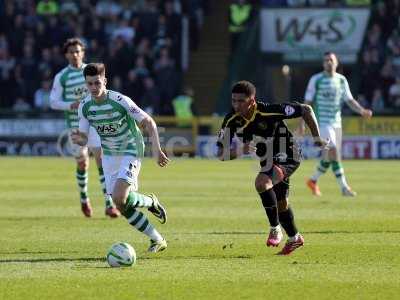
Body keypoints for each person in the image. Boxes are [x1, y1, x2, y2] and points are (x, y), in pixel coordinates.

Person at [216, 80, 327, 255]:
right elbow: (221, 154)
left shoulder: (268, 110)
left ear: (252, 101)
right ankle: (295, 238)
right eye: (233, 101)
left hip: (289, 154)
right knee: (281, 203)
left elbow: (306, 109)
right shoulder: (231, 120)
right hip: (267, 161)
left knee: (262, 182)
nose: (236, 105)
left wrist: (316, 138)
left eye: (240, 101)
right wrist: (239, 151)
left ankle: (275, 228)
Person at [71, 63, 170, 253]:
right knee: (120, 203)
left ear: (105, 81)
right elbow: (84, 137)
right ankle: (157, 239)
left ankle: (150, 202)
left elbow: (148, 121)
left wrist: (156, 150)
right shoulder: (84, 106)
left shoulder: (120, 100)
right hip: (109, 154)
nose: (93, 88)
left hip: (131, 148)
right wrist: (79, 138)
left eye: (97, 83)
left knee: (118, 196)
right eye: (89, 84)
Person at [50, 38, 120, 218]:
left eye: (78, 51)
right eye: (71, 51)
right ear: (66, 54)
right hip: (75, 126)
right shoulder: (62, 76)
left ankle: (109, 204)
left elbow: (103, 92)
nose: (75, 54)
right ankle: (84, 199)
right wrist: (71, 105)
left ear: (83, 53)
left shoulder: (91, 72)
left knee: (102, 162)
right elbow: (53, 102)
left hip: (96, 123)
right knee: (82, 162)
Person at [298, 52, 373, 197]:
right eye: (326, 60)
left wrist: (362, 110)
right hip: (322, 122)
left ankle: (313, 180)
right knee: (334, 153)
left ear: (336, 62)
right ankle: (344, 188)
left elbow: (349, 100)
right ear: (323, 63)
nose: (329, 62)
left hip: (336, 123)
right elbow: (307, 103)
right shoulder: (316, 79)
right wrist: (302, 123)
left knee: (329, 157)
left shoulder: (341, 80)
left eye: (331, 60)